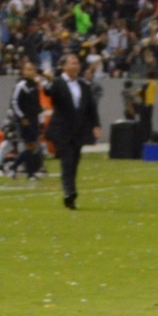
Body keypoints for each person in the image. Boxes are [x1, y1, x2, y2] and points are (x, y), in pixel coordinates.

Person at [46, 53, 101, 210]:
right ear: (64, 66)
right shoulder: (57, 83)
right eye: (72, 63)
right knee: (67, 160)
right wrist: (48, 80)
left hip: (77, 130)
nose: (75, 66)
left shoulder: (83, 85)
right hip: (61, 129)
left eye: (77, 63)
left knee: (75, 161)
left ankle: (70, 193)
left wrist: (96, 125)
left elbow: (91, 107)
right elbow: (49, 92)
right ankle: (69, 191)